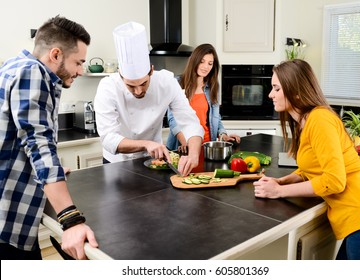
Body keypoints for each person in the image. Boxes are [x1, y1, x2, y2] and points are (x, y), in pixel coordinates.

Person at [253, 59, 360, 260]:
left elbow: (334, 181)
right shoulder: (307, 121)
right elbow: (311, 168)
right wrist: (281, 181)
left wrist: (279, 191)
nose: (270, 94)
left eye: (276, 88)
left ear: (296, 91)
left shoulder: (320, 120)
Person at [0, 16, 98, 260]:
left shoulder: (13, 65)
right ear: (55, 54)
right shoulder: (32, 72)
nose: (80, 70)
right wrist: (71, 220)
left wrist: (43, 172)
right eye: (78, 62)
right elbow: (38, 144)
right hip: (6, 217)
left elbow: (14, 141)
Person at [94, 21, 203, 176]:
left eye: (144, 83)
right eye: (131, 86)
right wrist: (146, 144)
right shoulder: (108, 87)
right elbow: (108, 138)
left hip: (154, 162)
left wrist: (193, 154)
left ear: (151, 70)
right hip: (116, 165)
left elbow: (189, 121)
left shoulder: (167, 82)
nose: (138, 91)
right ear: (120, 74)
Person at [166, 43, 240, 152]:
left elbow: (215, 117)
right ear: (194, 60)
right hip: (183, 146)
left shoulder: (212, 86)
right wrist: (185, 143)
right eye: (202, 61)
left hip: (207, 146)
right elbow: (173, 119)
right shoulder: (178, 83)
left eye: (210, 63)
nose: (206, 67)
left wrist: (223, 135)